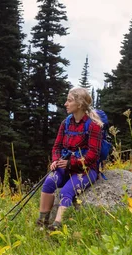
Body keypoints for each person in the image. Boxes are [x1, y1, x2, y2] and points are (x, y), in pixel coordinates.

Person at [36, 87, 104, 231]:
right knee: (49, 182)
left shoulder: (94, 126)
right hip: (65, 166)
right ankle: (42, 223)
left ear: (79, 104)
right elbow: (56, 147)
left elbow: (93, 155)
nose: (66, 104)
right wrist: (55, 160)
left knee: (66, 192)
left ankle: (58, 226)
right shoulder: (66, 123)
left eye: (69, 100)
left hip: (86, 169)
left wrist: (70, 163)